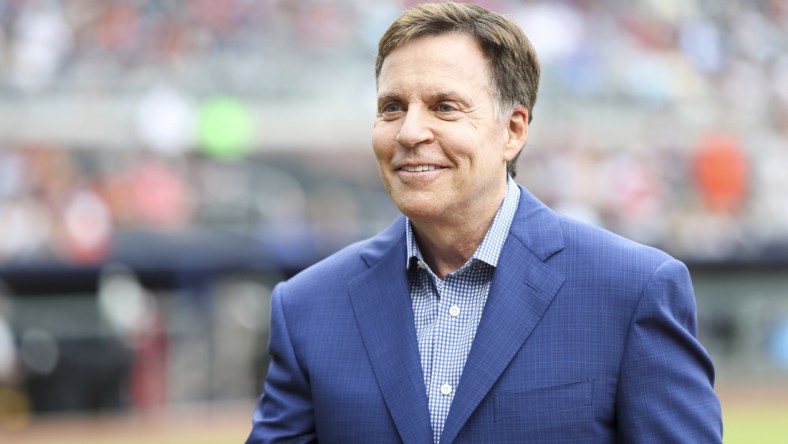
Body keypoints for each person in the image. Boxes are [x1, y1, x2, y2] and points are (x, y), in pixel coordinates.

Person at [246, 2, 722, 443]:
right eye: (392, 107)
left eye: (444, 107)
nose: (410, 131)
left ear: (512, 131)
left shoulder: (632, 289)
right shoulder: (307, 307)